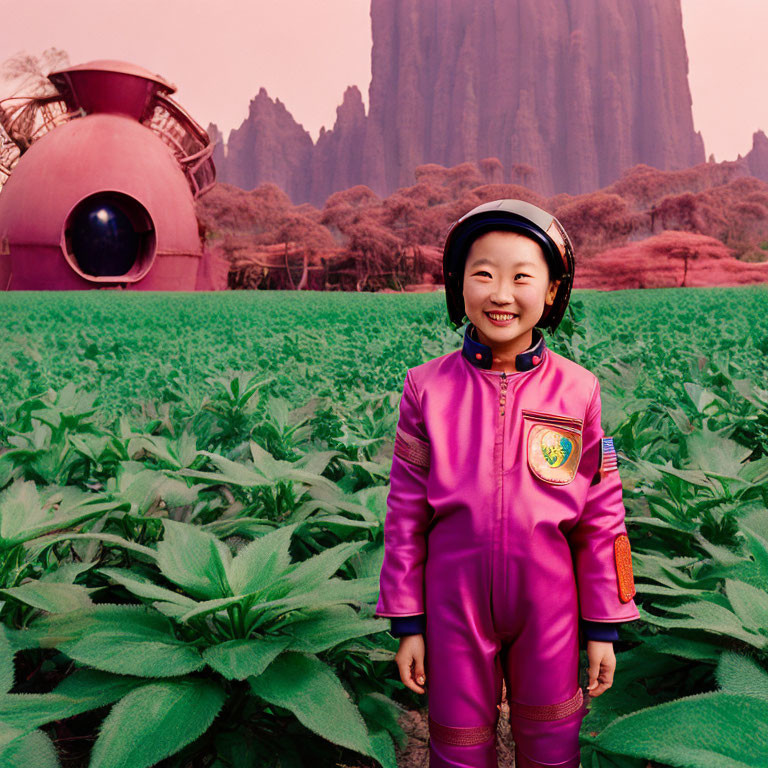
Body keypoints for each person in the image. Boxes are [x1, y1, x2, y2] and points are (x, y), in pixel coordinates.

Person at [374, 199, 641, 768]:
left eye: (521, 276)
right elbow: (403, 513)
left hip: (550, 606)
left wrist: (606, 623)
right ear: (458, 285)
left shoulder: (580, 390)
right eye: (483, 274)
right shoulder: (426, 389)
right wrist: (407, 621)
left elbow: (605, 518)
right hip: (453, 607)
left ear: (551, 291)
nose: (501, 293)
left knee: (552, 746)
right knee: (458, 748)